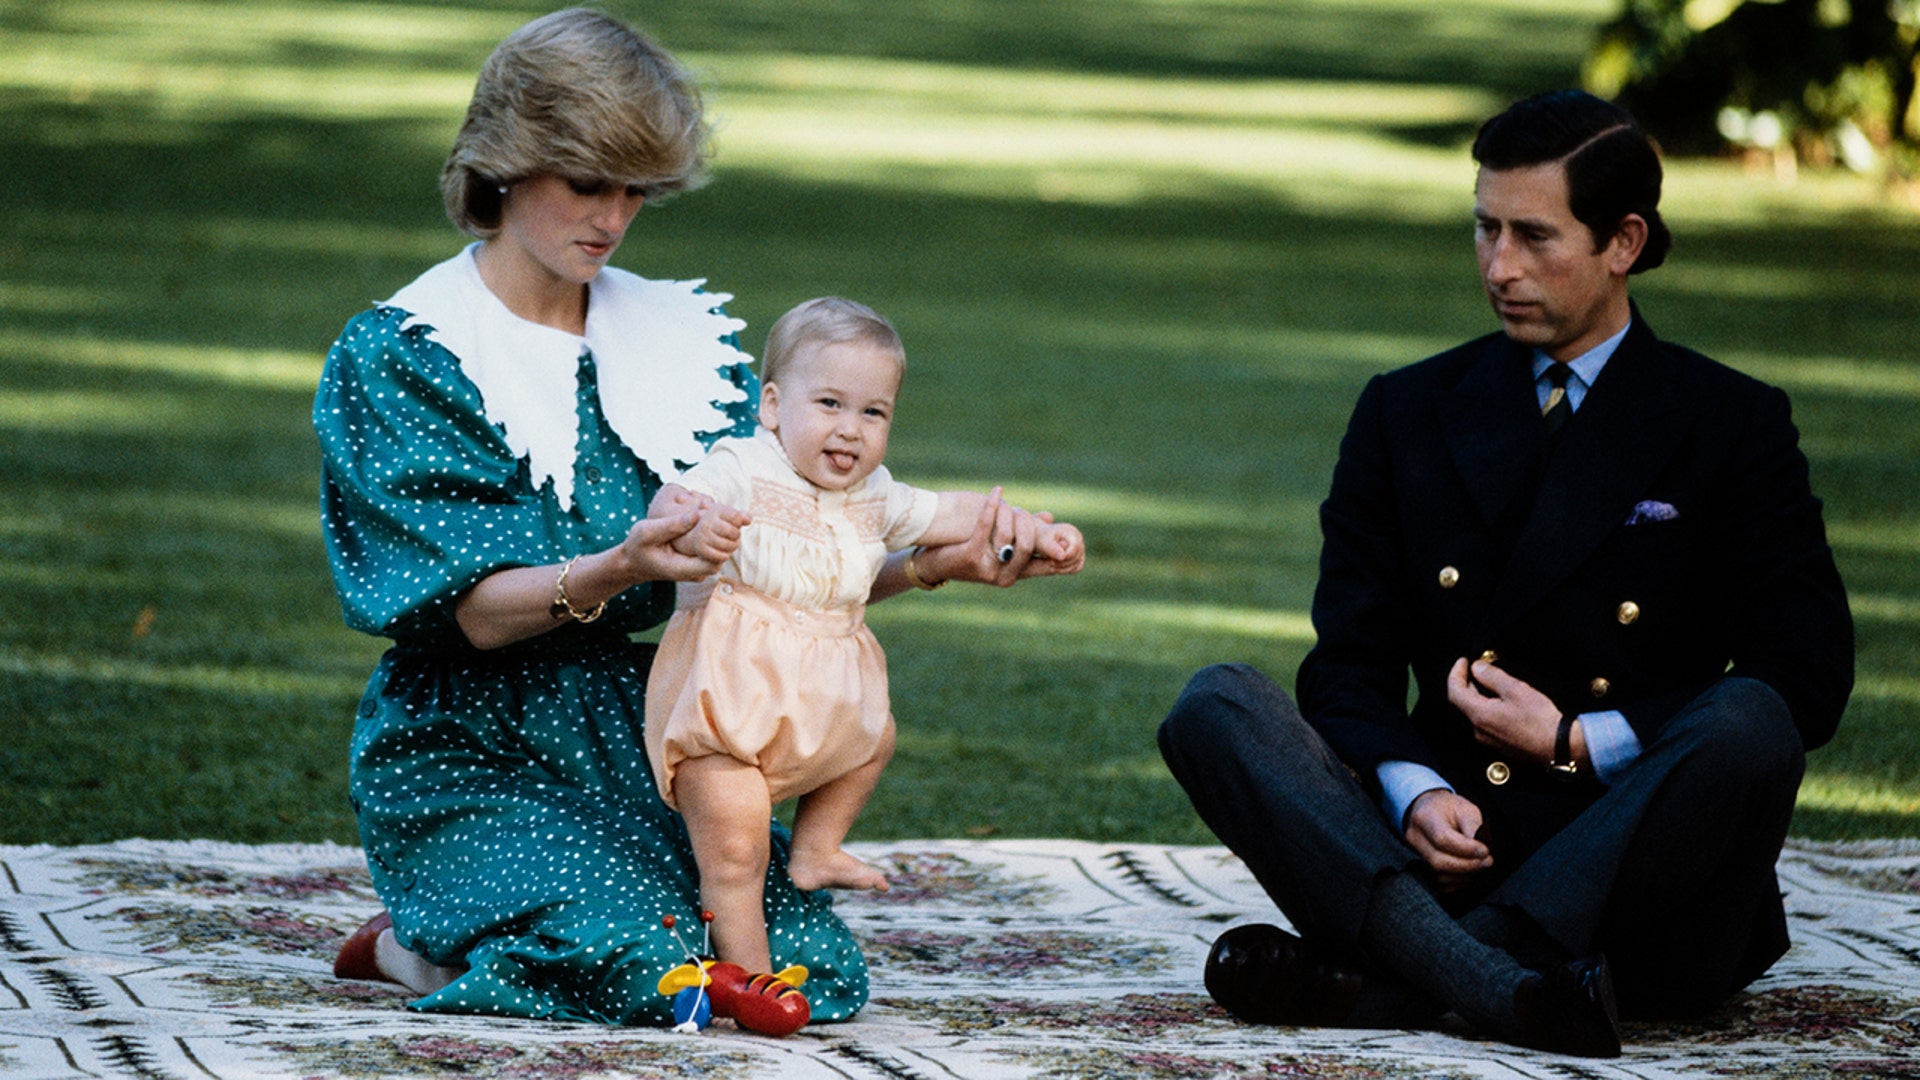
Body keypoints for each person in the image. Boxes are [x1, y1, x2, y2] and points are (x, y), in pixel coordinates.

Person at [314, 8, 1076, 1028]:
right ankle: (416, 947)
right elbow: (472, 616)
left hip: (647, 719)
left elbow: (792, 566)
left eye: (637, 190)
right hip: (465, 732)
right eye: (589, 183)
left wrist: (932, 565)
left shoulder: (683, 343)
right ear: (503, 166)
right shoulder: (406, 354)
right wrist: (622, 564)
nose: (615, 217)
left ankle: (475, 936)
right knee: (635, 955)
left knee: (804, 966)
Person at [1158, 90, 1852, 1057]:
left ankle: (1409, 978)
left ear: (1624, 241)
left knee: (1753, 721)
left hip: (1631, 862)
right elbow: (1348, 667)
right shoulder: (1405, 410)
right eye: (1484, 229)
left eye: (1535, 236)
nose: (1499, 266)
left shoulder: (1730, 423)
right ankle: (1499, 984)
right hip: (1441, 849)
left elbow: (1808, 673)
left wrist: (1573, 740)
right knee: (1216, 705)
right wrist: (1410, 790)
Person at [643, 296, 1084, 978]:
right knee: (736, 848)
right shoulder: (743, 467)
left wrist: (1027, 526)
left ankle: (817, 847)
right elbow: (677, 498)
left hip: (825, 702)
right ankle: (753, 977)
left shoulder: (877, 494)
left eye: (872, 413)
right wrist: (690, 519)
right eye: (828, 404)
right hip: (725, 700)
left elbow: (957, 513)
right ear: (771, 406)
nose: (850, 430)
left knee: (875, 738)